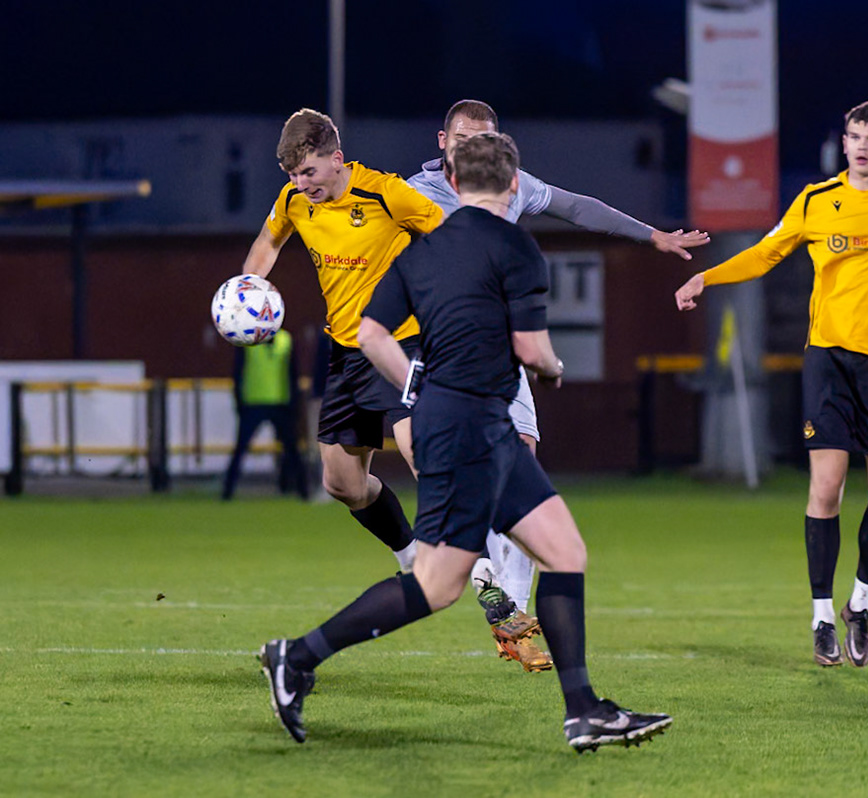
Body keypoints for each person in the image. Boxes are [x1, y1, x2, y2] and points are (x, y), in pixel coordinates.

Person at [259, 131, 672, 751]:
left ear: (451, 184)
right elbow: (534, 351)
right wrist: (552, 368)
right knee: (436, 585)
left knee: (564, 551)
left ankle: (584, 710)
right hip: (467, 431)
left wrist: (414, 384)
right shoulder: (516, 248)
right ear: (513, 184)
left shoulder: (420, 252)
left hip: (475, 426)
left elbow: (370, 335)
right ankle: (296, 657)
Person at [401, 98, 711, 671]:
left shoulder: (511, 185)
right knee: (454, 477)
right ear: (442, 140)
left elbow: (575, 207)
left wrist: (652, 236)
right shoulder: (411, 195)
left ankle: (512, 612)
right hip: (441, 356)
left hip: (501, 353)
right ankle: (478, 583)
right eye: (463, 138)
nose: (472, 148)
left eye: (483, 139)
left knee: (523, 462)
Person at [675, 101, 868, 668]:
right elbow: (765, 254)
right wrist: (706, 277)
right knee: (826, 488)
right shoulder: (816, 201)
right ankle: (821, 616)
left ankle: (858, 604)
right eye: (854, 136)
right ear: (844, 144)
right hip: (830, 361)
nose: (862, 145)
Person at [238, 109, 441, 575]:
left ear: (337, 159)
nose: (301, 182)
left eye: (308, 171)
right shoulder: (293, 199)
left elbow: (450, 236)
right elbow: (268, 242)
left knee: (422, 453)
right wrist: (248, 291)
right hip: (346, 352)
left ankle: (485, 572)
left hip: (401, 343)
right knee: (343, 484)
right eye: (293, 174)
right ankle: (411, 557)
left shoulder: (385, 193)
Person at [221, 327, 309, 501]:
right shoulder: (247, 339)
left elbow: (293, 373)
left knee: (292, 449)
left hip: (280, 402)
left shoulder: (285, 339)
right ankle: (227, 492)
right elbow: (238, 372)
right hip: (253, 402)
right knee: (240, 449)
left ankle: (303, 490)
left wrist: (294, 404)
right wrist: (239, 402)